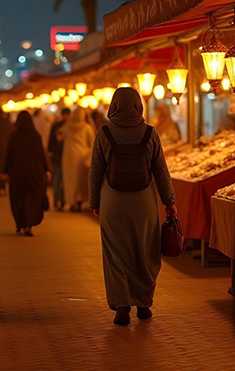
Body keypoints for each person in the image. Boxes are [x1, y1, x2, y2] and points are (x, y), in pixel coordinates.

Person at [89, 88, 177, 325]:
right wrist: (169, 201)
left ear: (114, 105)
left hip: (113, 200)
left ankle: (122, 306)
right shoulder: (150, 133)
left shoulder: (104, 133)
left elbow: (95, 171)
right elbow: (161, 171)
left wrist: (95, 202)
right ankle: (144, 303)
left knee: (115, 253)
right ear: (138, 105)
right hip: (143, 202)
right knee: (145, 250)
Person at [2, 112, 50, 236]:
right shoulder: (36, 136)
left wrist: (4, 171)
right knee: (32, 199)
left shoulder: (14, 136)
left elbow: (9, 155)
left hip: (17, 174)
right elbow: (42, 155)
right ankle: (28, 225)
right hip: (34, 173)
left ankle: (20, 222)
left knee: (18, 199)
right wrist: (46, 169)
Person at [61, 108, 94, 211]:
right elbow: (93, 142)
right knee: (80, 180)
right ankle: (80, 200)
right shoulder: (86, 127)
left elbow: (59, 137)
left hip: (68, 156)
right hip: (82, 156)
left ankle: (71, 201)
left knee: (70, 179)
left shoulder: (67, 126)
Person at [47, 108, 71, 210]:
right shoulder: (63, 126)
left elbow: (50, 142)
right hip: (59, 157)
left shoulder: (58, 126)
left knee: (61, 180)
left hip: (62, 156)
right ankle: (57, 201)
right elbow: (51, 141)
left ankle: (61, 201)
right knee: (58, 180)